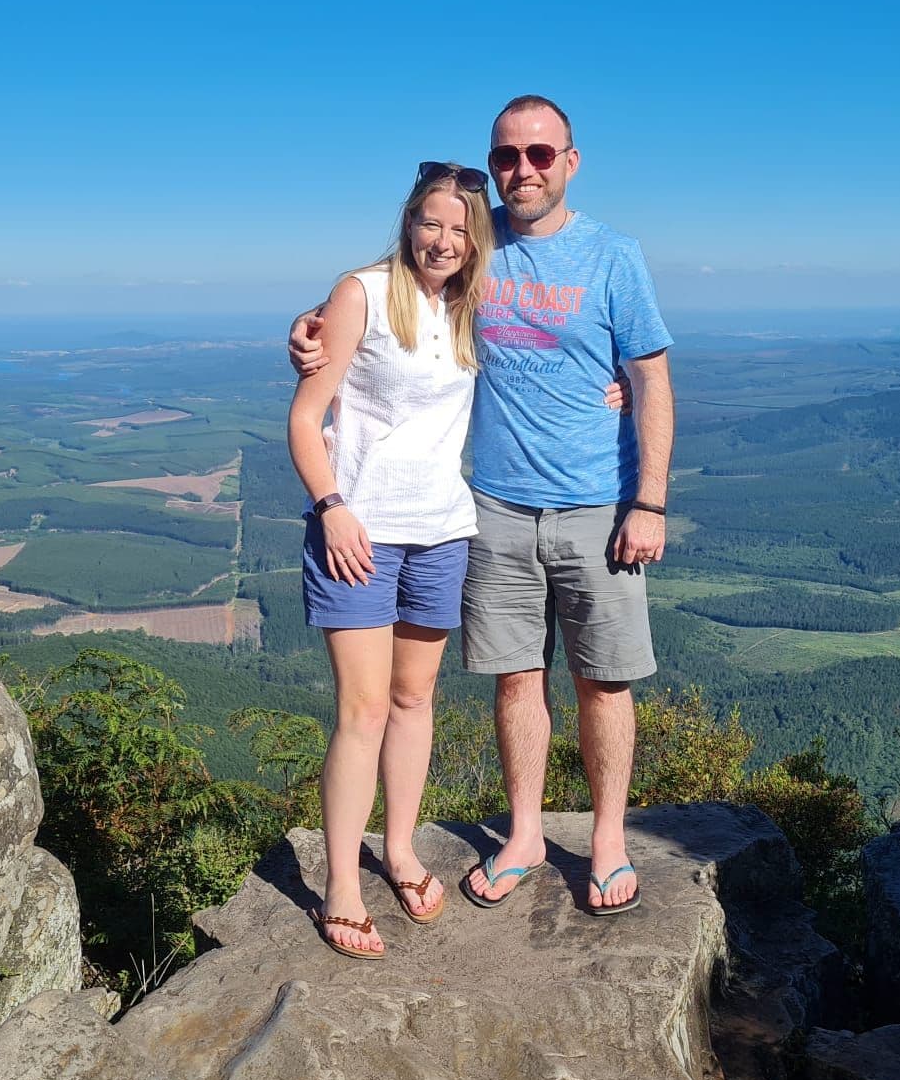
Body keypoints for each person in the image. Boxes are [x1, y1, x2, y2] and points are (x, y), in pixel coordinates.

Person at [293, 95, 674, 919]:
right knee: (515, 680)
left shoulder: (613, 255)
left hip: (596, 505)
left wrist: (649, 499)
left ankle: (607, 841)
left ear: (572, 160)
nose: (523, 169)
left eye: (541, 154)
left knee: (603, 683)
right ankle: (526, 836)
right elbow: (393, 287)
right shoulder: (477, 240)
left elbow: (649, 377)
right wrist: (311, 328)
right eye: (508, 155)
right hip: (492, 508)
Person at [286, 161, 495, 959]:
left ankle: (399, 849)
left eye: (459, 228)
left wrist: (612, 390)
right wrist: (332, 508)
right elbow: (307, 419)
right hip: (360, 533)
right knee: (363, 711)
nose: (444, 240)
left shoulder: (470, 306)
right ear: (408, 222)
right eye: (431, 223)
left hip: (443, 529)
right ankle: (342, 884)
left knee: (414, 701)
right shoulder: (362, 294)